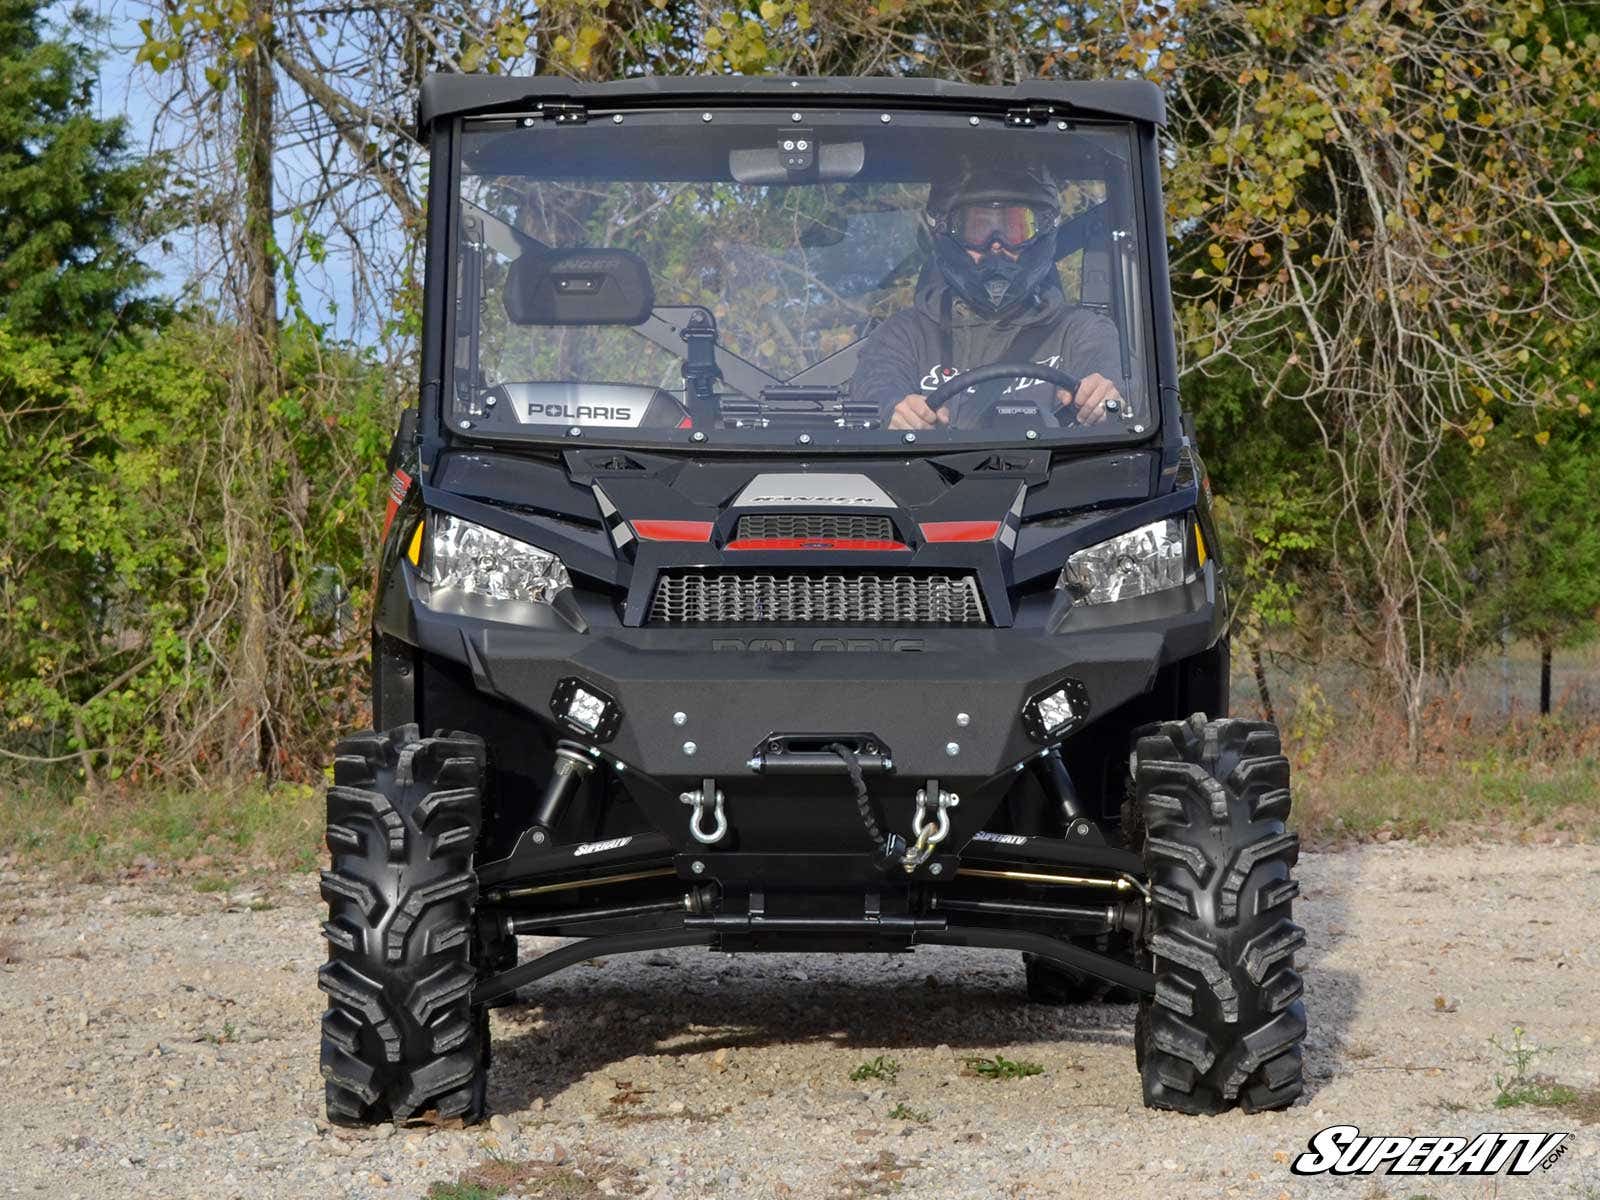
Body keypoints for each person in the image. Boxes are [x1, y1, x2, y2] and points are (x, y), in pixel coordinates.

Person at [850, 165, 1126, 431]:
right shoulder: (903, 334)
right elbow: (876, 387)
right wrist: (894, 412)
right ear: (946, 230)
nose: (996, 245)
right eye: (978, 229)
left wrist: (1104, 395)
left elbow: (1115, 379)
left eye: (1015, 228)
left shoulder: (1080, 331)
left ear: (1041, 232)